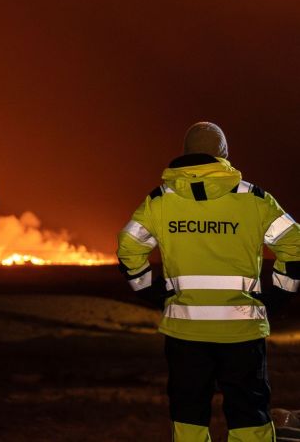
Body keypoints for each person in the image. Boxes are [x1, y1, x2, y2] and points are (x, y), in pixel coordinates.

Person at [117, 122, 300, 442]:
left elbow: (128, 248)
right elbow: (295, 246)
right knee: (249, 416)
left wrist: (149, 290)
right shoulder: (255, 199)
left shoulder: (160, 201)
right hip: (242, 331)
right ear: (224, 155)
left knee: (188, 418)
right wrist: (280, 294)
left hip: (184, 331)